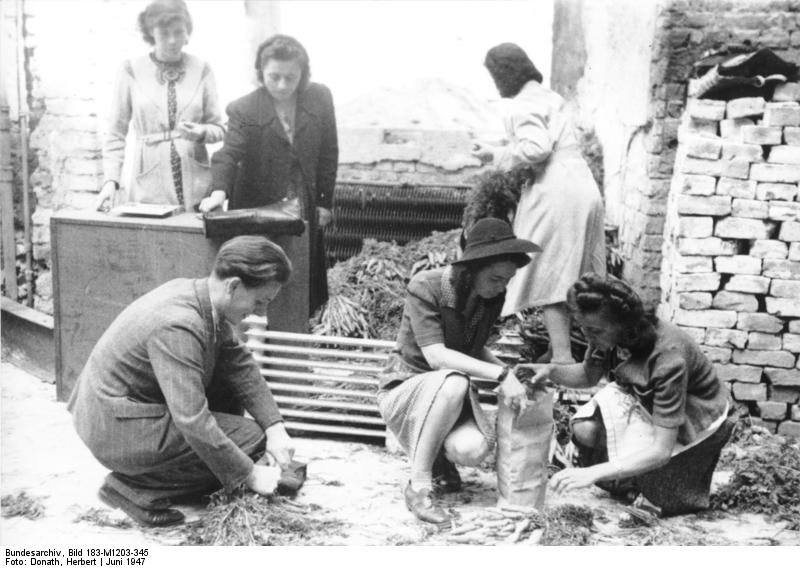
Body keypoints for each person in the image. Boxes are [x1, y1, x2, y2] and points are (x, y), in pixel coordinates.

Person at [68, 236, 297, 527]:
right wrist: (250, 474)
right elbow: (192, 420)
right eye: (260, 301)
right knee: (250, 440)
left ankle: (170, 474)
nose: (262, 312)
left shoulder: (202, 297)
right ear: (234, 285)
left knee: (245, 415)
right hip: (114, 426)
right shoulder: (179, 324)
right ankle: (135, 487)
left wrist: (276, 428)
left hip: (124, 411)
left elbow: (239, 364)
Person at [377, 218, 541, 525]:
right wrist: (501, 377)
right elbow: (437, 356)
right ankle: (419, 486)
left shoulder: (490, 297)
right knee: (453, 382)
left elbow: (473, 347)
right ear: (472, 268)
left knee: (473, 450)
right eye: (495, 278)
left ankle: (439, 459)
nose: (501, 287)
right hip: (405, 391)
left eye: (507, 280)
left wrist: (510, 372)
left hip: (449, 397)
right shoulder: (426, 286)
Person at [527, 273, 734, 516]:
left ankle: (643, 475)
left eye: (593, 330)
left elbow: (660, 450)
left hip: (695, 416)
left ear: (624, 324)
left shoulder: (668, 358)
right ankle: (626, 475)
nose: (587, 337)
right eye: (582, 328)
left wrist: (593, 472)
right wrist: (549, 371)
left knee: (659, 502)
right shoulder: (605, 333)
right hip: (645, 399)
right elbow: (587, 376)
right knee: (585, 429)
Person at [473, 42, 606, 365]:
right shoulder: (549, 97)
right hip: (581, 186)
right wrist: (498, 147)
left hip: (556, 191)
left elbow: (536, 149)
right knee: (578, 275)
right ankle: (588, 355)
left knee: (551, 275)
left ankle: (562, 358)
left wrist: (497, 155)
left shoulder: (520, 105)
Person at [201, 34, 338, 316]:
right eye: (274, 77)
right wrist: (218, 192)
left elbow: (328, 151)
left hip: (302, 201)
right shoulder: (245, 107)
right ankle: (252, 340)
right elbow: (229, 152)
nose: (282, 85)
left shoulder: (320, 97)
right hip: (259, 205)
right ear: (261, 74)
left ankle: (293, 329)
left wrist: (324, 201)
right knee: (260, 274)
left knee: (300, 275)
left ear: (303, 74)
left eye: (291, 77)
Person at [96, 0, 225, 212]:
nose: (173, 40)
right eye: (164, 33)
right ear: (151, 33)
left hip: (195, 177)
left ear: (187, 32)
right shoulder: (131, 70)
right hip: (149, 177)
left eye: (179, 32)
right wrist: (111, 181)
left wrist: (202, 132)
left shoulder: (202, 70)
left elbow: (219, 128)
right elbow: (116, 133)